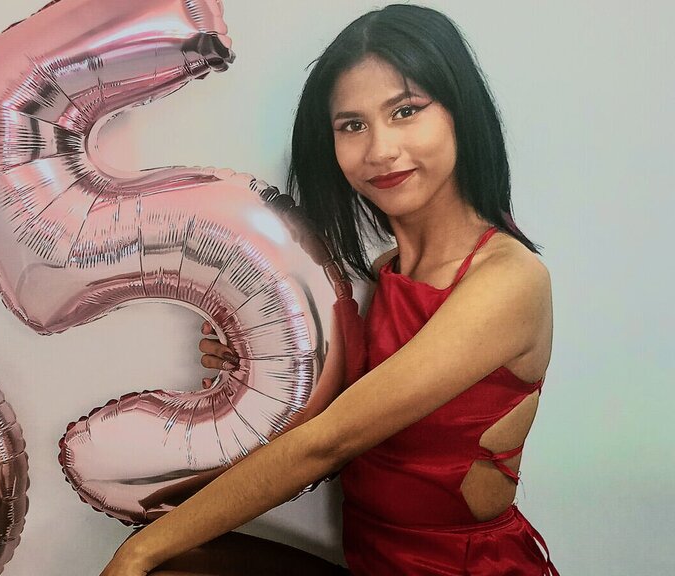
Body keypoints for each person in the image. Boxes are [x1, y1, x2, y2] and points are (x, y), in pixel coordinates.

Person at [102, 4, 556, 574]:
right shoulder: (386, 271)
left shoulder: (509, 280)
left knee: (150, 558)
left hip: (462, 568)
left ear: (460, 112)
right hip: (370, 559)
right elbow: (343, 411)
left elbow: (329, 442)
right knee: (176, 566)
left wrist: (138, 550)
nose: (380, 150)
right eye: (352, 125)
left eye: (406, 111)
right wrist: (259, 370)